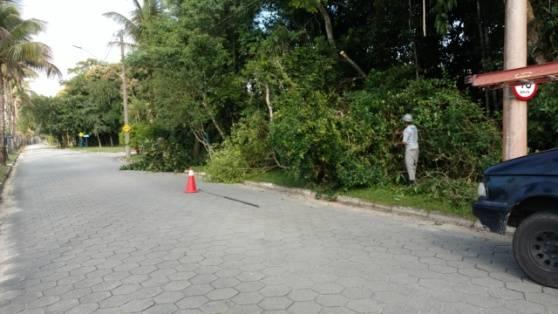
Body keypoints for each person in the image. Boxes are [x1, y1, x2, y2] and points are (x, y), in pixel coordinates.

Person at [401, 114, 419, 184]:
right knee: (414, 164)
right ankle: (413, 180)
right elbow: (410, 134)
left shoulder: (406, 130)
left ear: (405, 121)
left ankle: (412, 182)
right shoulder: (414, 127)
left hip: (410, 149)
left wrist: (396, 143)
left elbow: (404, 142)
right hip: (416, 147)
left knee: (409, 164)